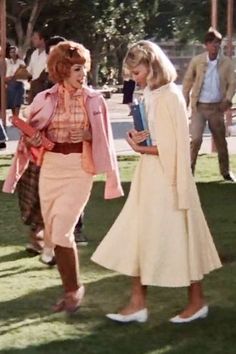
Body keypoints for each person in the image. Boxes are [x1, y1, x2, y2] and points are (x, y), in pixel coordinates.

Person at [91, 40, 222, 324]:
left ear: (151, 65)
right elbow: (156, 135)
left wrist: (142, 149)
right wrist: (138, 137)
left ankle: (196, 301)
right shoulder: (152, 94)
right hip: (149, 177)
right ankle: (138, 303)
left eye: (137, 72)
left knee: (178, 237)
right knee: (140, 236)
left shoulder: (170, 96)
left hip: (167, 179)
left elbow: (175, 147)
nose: (134, 78)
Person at [3, 40, 123, 313]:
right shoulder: (42, 99)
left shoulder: (94, 100)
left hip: (80, 168)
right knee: (57, 232)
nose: (83, 74)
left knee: (61, 229)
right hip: (51, 167)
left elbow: (104, 139)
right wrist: (34, 138)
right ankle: (72, 290)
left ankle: (73, 290)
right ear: (61, 70)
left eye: (84, 68)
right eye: (76, 69)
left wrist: (89, 136)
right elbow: (29, 140)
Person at [182, 28, 236, 181]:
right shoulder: (198, 61)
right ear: (206, 45)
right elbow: (187, 81)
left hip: (216, 108)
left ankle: (225, 171)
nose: (215, 46)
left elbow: (233, 82)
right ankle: (189, 170)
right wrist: (184, 101)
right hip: (199, 107)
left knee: (220, 141)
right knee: (196, 139)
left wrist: (227, 99)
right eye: (212, 43)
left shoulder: (227, 63)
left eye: (218, 43)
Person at [27, 29, 48, 104]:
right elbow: (29, 71)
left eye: (35, 38)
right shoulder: (34, 54)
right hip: (34, 87)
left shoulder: (49, 54)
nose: (32, 40)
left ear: (42, 40)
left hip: (44, 87)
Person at [5, 46, 26, 117]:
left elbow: (23, 72)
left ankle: (16, 117)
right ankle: (14, 116)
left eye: (14, 52)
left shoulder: (20, 61)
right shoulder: (7, 62)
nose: (12, 53)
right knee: (12, 102)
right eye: (11, 52)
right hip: (10, 83)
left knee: (17, 102)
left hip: (18, 83)